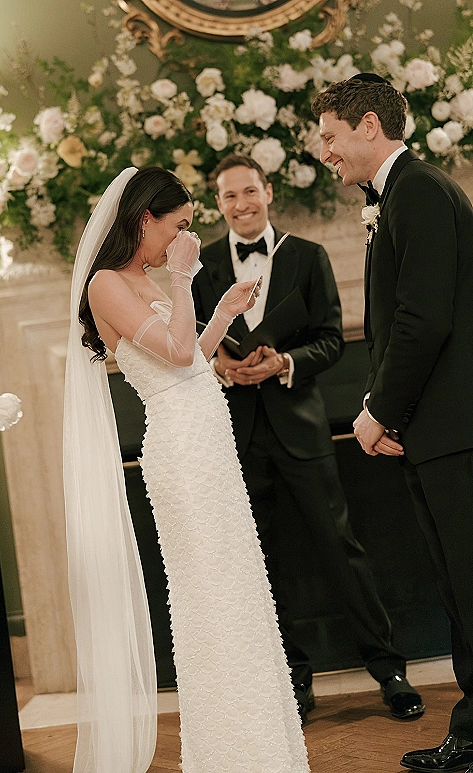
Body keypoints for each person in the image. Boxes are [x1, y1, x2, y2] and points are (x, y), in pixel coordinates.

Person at [63, 165, 309, 773]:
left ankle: (259, 744)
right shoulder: (105, 285)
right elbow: (172, 354)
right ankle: (229, 753)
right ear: (145, 219)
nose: (184, 239)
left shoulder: (147, 277)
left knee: (239, 589)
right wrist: (181, 279)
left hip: (210, 445)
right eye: (177, 227)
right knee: (208, 594)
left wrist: (220, 311)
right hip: (180, 450)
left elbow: (193, 359)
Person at [192, 153, 424, 724]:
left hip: (302, 429)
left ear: (268, 191)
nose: (241, 204)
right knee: (261, 562)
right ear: (217, 205)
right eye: (229, 197)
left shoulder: (308, 256)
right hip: (237, 438)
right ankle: (291, 680)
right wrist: (221, 367)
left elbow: (331, 341)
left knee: (341, 551)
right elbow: (192, 345)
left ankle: (389, 671)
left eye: (250, 191)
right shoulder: (200, 273)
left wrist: (284, 363)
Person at [312, 73, 473, 773]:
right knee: (459, 592)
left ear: (368, 126)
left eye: (330, 136)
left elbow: (422, 319)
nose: (325, 152)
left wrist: (377, 408)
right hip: (437, 431)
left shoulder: (420, 193)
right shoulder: (400, 197)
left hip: (457, 433)